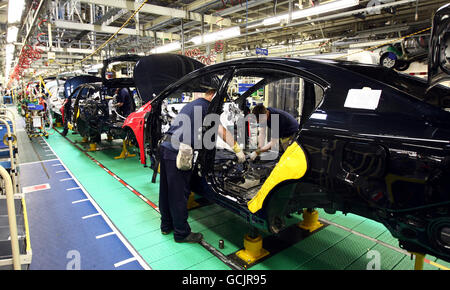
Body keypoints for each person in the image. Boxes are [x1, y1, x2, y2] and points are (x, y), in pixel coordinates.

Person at [159, 88, 245, 243]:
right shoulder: (207, 107)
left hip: (166, 146)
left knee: (166, 191)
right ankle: (181, 233)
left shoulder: (193, 105)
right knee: (179, 195)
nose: (220, 106)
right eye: (220, 101)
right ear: (212, 96)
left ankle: (166, 225)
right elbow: (222, 131)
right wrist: (238, 150)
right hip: (179, 152)